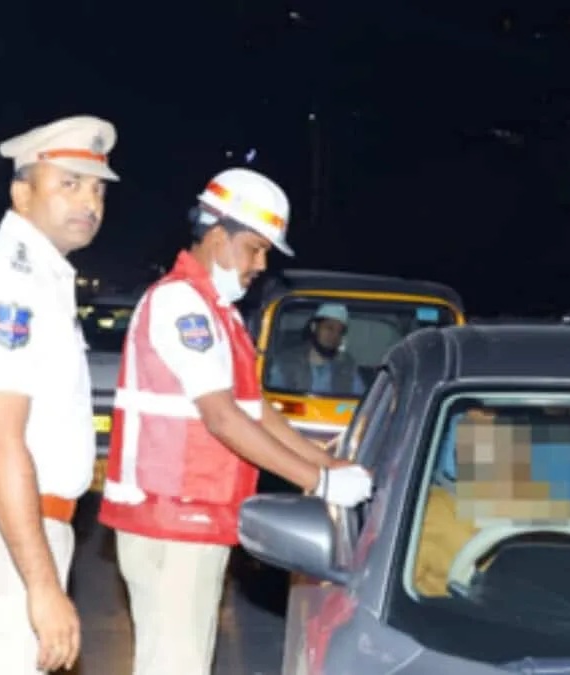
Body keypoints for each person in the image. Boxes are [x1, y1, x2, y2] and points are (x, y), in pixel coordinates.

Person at [99, 167, 374, 675]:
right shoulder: (182, 304)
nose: (260, 264)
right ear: (217, 236)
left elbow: (255, 410)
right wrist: (320, 481)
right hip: (170, 519)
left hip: (192, 518)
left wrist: (325, 462)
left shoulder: (219, 312)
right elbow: (222, 418)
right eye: (255, 248)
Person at [0, 114, 118, 675]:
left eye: (97, 189)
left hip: (16, 527)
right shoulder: (10, 284)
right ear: (22, 193)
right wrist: (42, 586)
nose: (89, 202)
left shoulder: (39, 275)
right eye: (69, 183)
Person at [267, 302, 365, 396]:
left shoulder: (347, 367)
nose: (335, 336)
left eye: (340, 332)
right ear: (314, 327)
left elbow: (361, 401)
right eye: (329, 328)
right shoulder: (286, 363)